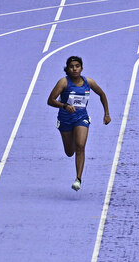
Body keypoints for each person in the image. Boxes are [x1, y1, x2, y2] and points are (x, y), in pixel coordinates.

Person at [47, 56, 111, 191]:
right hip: (65, 119)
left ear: (81, 68)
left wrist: (106, 114)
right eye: (71, 67)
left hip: (81, 117)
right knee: (70, 152)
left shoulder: (89, 82)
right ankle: (74, 146)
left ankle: (78, 179)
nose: (74, 69)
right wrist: (64, 106)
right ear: (67, 69)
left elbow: (102, 94)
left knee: (81, 145)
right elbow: (50, 100)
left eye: (77, 66)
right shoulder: (63, 83)